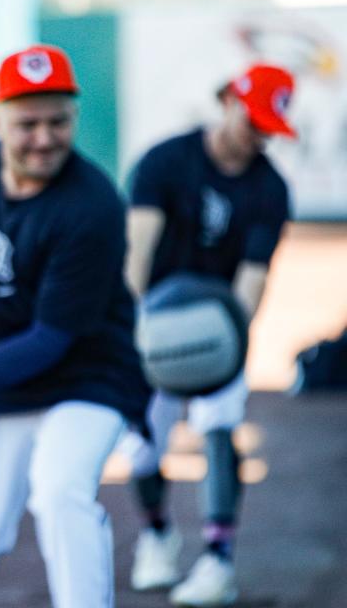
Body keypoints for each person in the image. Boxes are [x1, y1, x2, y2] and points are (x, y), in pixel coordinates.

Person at [0, 45, 151, 608]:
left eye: (57, 122)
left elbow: (50, 340)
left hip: (90, 378)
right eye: (27, 124)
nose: (44, 138)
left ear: (74, 119)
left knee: (62, 491)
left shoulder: (92, 205)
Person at [124, 64, 295, 606]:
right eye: (253, 119)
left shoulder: (270, 188)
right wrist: (134, 329)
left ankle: (218, 561)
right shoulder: (165, 160)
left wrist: (227, 350)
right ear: (227, 99)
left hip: (218, 327)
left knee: (220, 428)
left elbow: (253, 279)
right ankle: (157, 535)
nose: (258, 134)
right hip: (155, 321)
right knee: (143, 444)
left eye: (269, 127)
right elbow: (138, 252)